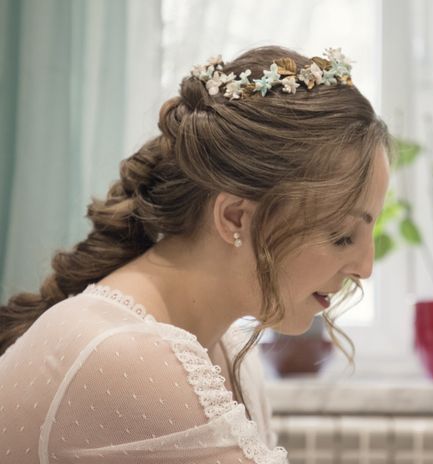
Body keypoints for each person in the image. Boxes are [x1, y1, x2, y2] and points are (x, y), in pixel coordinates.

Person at [0, 44, 394, 463]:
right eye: (341, 235)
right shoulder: (128, 356)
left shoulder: (227, 353)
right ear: (236, 217)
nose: (365, 268)